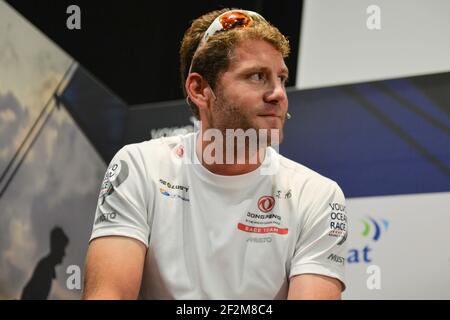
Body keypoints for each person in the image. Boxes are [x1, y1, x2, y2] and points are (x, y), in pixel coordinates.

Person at [83, 8, 348, 300]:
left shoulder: (317, 195)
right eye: (257, 76)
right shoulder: (141, 167)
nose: (278, 94)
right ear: (199, 89)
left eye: (281, 78)